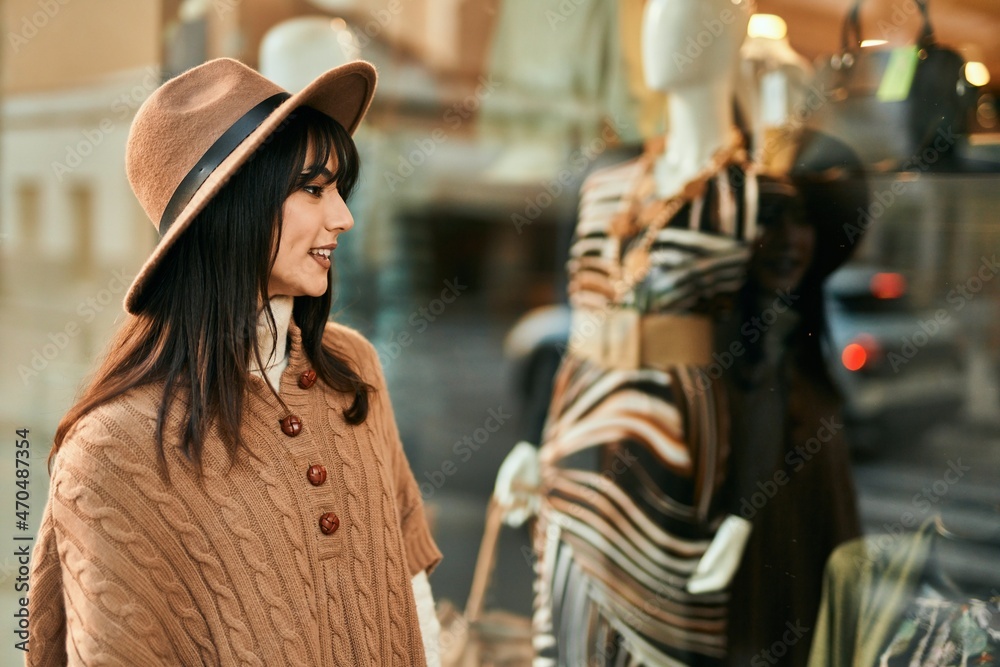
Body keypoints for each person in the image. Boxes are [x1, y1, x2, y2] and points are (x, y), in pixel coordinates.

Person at [26, 58, 442, 666]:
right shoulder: (111, 452)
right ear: (232, 208)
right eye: (313, 188)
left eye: (338, 190)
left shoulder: (353, 371)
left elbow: (412, 602)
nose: (343, 218)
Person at [719, 131, 867, 665]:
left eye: (802, 219)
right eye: (770, 219)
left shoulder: (804, 345)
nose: (787, 239)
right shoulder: (720, 351)